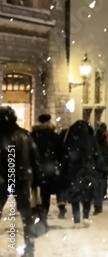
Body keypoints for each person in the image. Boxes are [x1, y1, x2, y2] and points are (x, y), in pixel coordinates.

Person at [0, 106, 40, 257]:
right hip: (22, 177)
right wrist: (35, 178)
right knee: (26, 214)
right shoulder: (25, 135)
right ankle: (29, 248)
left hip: (3, 178)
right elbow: (35, 159)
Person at [61, 120, 98, 227]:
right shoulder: (91, 139)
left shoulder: (71, 139)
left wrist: (64, 168)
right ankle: (86, 216)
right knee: (87, 194)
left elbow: (65, 155)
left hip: (73, 170)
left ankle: (76, 218)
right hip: (88, 170)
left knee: (75, 194)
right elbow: (98, 154)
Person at [31, 114, 66, 218]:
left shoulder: (33, 135)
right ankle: (61, 205)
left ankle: (40, 210)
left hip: (37, 166)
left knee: (40, 189)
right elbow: (61, 152)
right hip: (51, 165)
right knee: (57, 186)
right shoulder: (54, 136)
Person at [93, 126, 108, 215]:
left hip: (95, 169)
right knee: (100, 188)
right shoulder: (105, 144)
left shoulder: (94, 144)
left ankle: (97, 205)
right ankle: (98, 205)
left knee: (96, 188)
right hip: (103, 170)